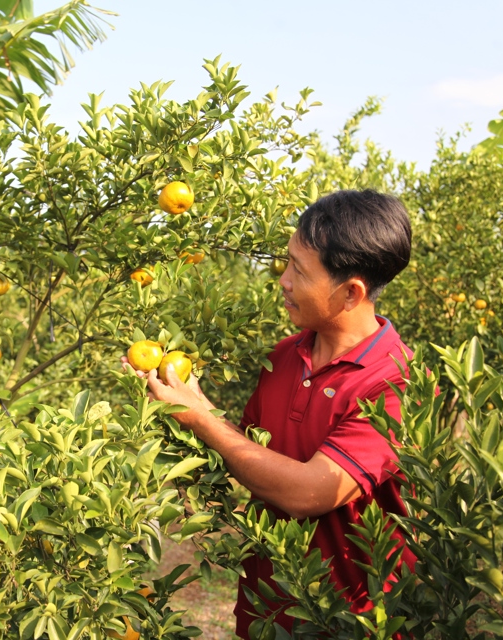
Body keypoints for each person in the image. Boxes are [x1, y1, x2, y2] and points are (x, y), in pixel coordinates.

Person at [131, 189, 416, 636]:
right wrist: (191, 405)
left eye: (298, 270)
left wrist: (202, 420)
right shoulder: (285, 356)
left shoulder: (395, 382)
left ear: (350, 292)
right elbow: (246, 454)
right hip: (265, 615)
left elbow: (310, 492)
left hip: (348, 621)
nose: (283, 280)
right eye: (286, 262)